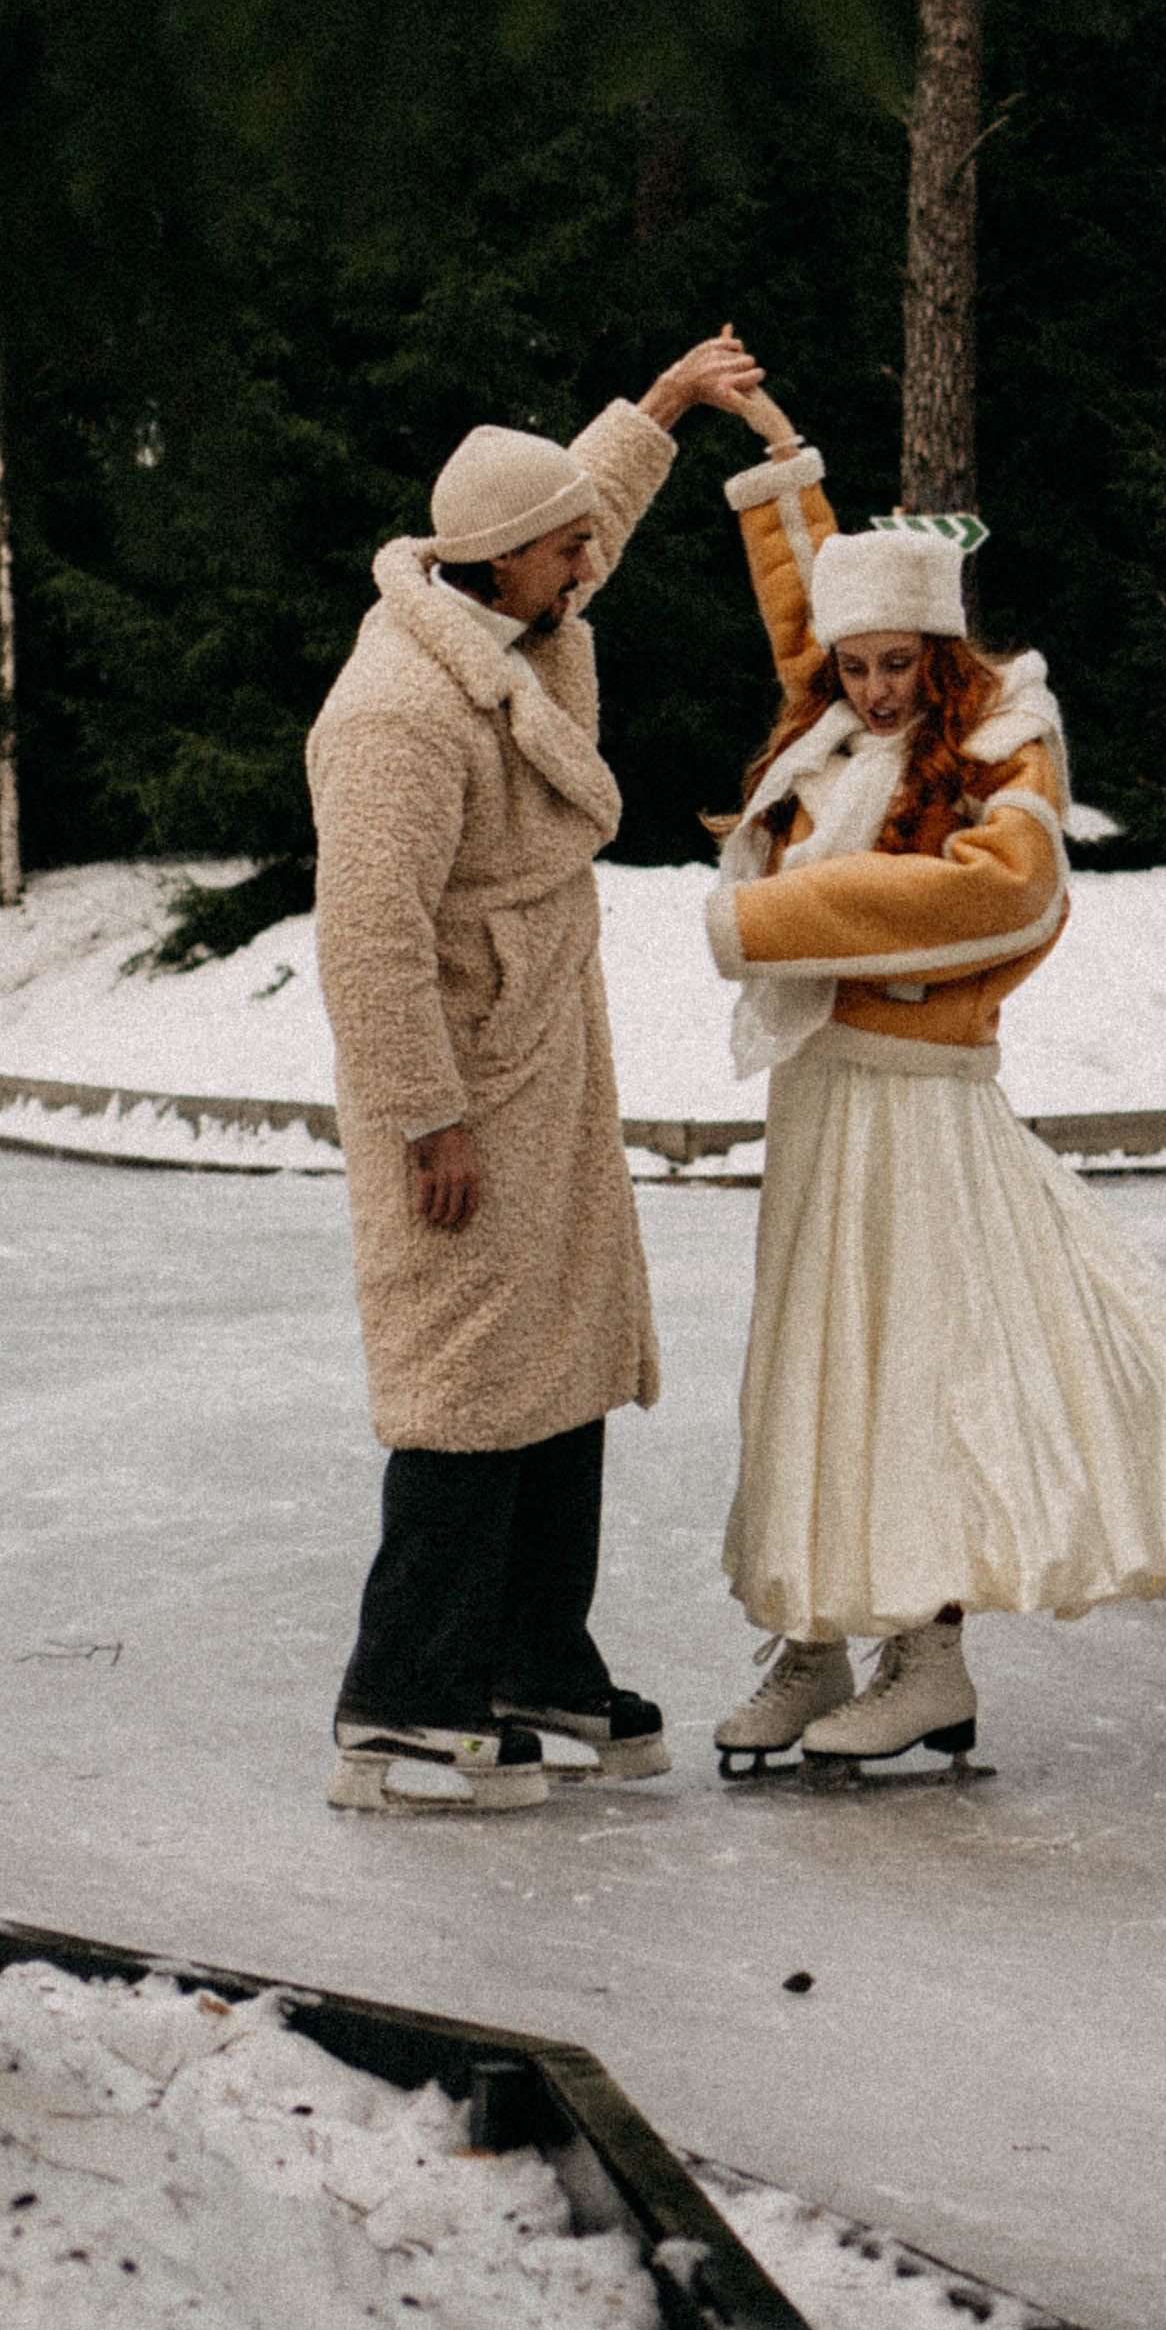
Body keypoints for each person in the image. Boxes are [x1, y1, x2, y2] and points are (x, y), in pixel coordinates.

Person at [702, 414, 1166, 1774]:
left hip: (921, 1103)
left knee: (915, 1371)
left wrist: (769, 922)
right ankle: (815, 1640)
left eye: (896, 661)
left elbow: (1004, 889)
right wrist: (773, 445)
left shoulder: (1004, 744)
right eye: (852, 666)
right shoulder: (836, 731)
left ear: (942, 652)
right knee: (807, 1371)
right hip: (820, 1092)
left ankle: (927, 1655)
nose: (871, 687)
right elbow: (812, 595)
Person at [308, 330, 764, 1814]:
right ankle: (401, 1692)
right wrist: (421, 1117)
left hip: (542, 1055)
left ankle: (529, 1656)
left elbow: (592, 511)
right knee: (462, 1374)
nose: (590, 567)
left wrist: (665, 408)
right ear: (503, 563)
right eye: (566, 551)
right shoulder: (395, 711)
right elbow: (368, 938)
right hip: (461, 1080)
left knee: (556, 1355)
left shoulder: (508, 616)